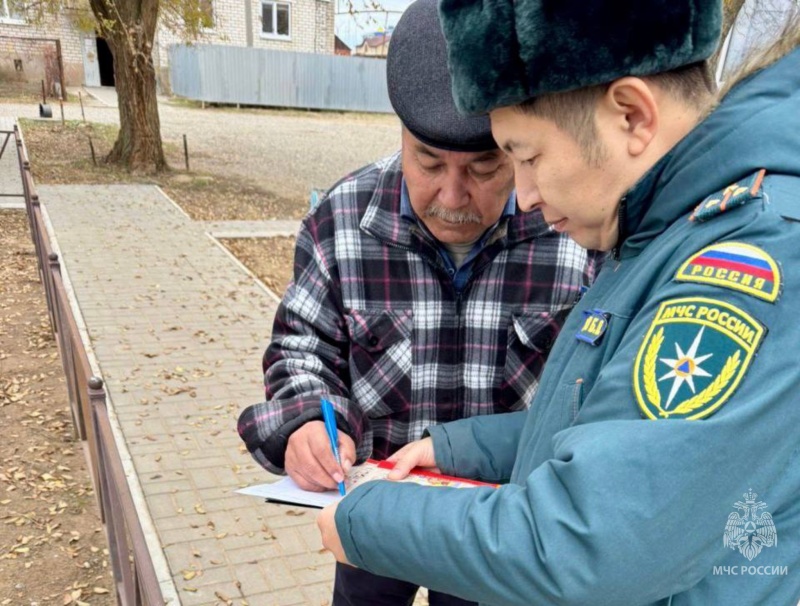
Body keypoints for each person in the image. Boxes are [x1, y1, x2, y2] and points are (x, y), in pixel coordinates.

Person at [317, 2, 800, 604]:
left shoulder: (747, 263)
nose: (523, 197)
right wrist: (458, 449)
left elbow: (591, 544)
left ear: (631, 116)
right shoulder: (657, 228)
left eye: (527, 156)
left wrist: (366, 520)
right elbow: (610, 426)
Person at [237, 1, 599, 604]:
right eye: (428, 164)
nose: (452, 197)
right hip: (374, 510)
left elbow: (590, 388)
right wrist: (307, 419)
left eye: (485, 167)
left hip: (499, 527)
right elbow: (301, 345)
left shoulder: (571, 234)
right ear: (400, 134)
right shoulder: (342, 220)